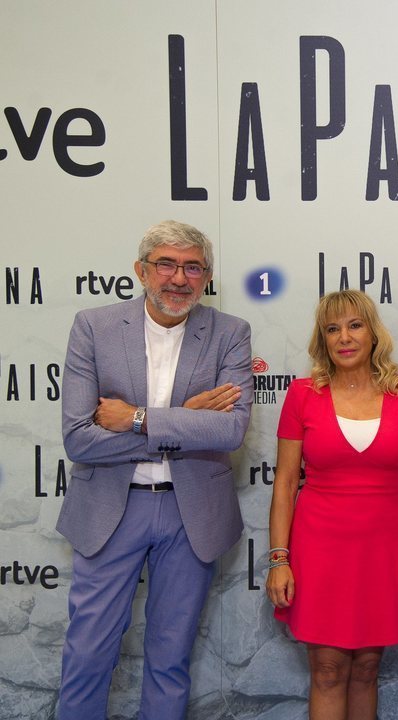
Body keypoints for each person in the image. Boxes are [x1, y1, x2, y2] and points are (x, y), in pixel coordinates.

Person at [57, 220, 252, 719]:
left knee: (170, 658)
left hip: (191, 517)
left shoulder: (230, 333)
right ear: (141, 270)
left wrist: (138, 419)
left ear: (207, 276)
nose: (178, 278)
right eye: (166, 263)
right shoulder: (93, 327)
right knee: (88, 653)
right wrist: (185, 420)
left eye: (192, 267)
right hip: (110, 511)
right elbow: (80, 438)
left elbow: (229, 432)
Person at [266, 289, 398, 720]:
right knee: (326, 669)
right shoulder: (303, 394)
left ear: (373, 333)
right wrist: (278, 559)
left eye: (354, 325)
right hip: (319, 548)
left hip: (385, 549)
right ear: (322, 339)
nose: (344, 337)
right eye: (332, 328)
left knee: (366, 667)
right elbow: (286, 483)